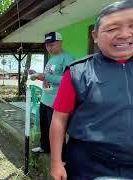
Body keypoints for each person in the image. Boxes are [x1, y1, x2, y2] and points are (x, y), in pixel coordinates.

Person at [50, 1, 133, 179]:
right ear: (95, 35)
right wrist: (56, 162)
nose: (125, 34)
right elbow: (59, 118)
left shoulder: (65, 57)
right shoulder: (78, 71)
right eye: (112, 29)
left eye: (132, 26)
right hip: (88, 164)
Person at [30, 32, 74, 154]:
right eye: (47, 45)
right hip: (45, 99)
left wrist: (45, 77)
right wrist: (37, 74)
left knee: (57, 130)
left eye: (52, 44)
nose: (49, 47)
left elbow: (68, 79)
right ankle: (44, 147)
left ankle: (62, 157)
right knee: (44, 126)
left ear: (60, 42)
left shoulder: (67, 58)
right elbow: (49, 77)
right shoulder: (51, 59)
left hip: (57, 102)